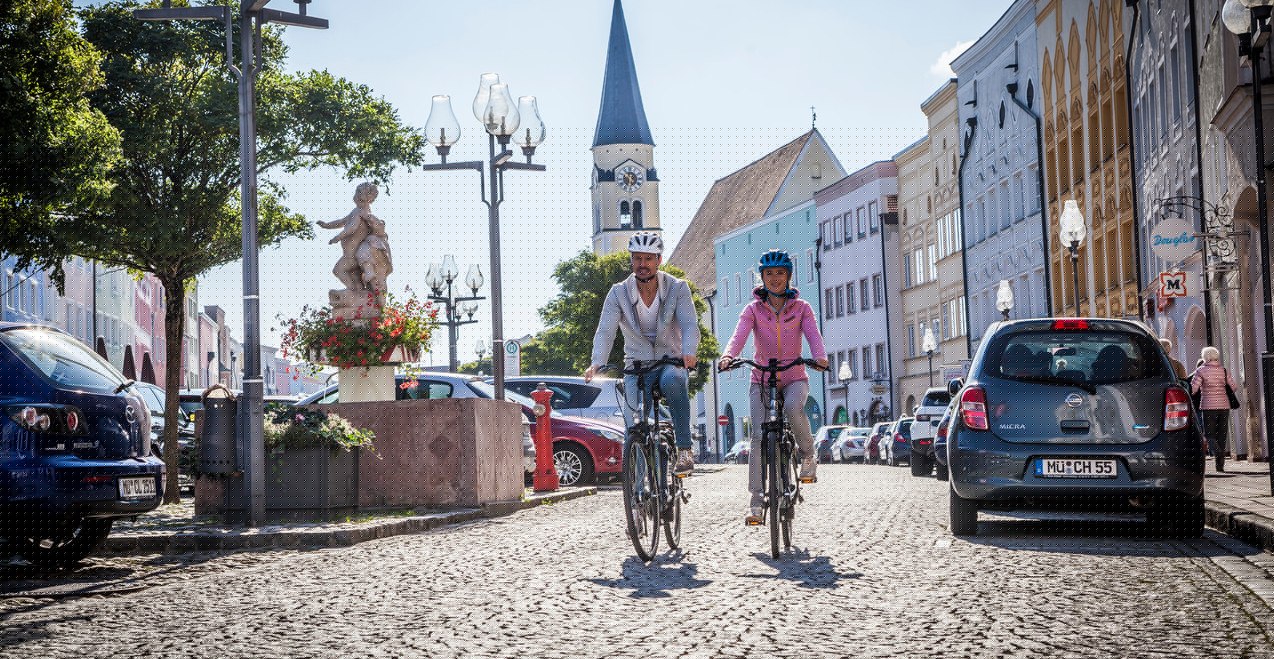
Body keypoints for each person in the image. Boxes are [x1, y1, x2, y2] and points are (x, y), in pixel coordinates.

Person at [717, 249, 829, 525]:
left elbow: (813, 335)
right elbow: (739, 335)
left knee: (793, 407)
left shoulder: (802, 308)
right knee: (757, 437)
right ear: (762, 278)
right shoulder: (753, 310)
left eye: (780, 273)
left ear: (788, 276)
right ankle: (756, 502)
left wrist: (820, 357)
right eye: (769, 274)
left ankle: (808, 455)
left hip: (794, 376)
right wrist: (728, 355)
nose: (775, 279)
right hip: (762, 378)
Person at [584, 231, 701, 476]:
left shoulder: (677, 288)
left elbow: (690, 324)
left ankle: (683, 449)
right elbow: (606, 330)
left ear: (659, 260)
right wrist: (597, 363)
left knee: (674, 380)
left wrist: (689, 352)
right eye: (637, 258)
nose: (642, 264)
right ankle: (640, 481)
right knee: (633, 422)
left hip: (670, 358)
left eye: (648, 259)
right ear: (631, 260)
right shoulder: (618, 292)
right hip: (637, 364)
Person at [1191, 346, 1240, 471]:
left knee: (1209, 434)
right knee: (1222, 435)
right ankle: (1220, 466)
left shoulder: (1200, 371)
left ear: (1205, 357)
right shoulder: (1223, 370)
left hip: (1208, 406)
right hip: (1224, 405)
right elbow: (1233, 387)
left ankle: (1217, 453)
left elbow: (1193, 389)